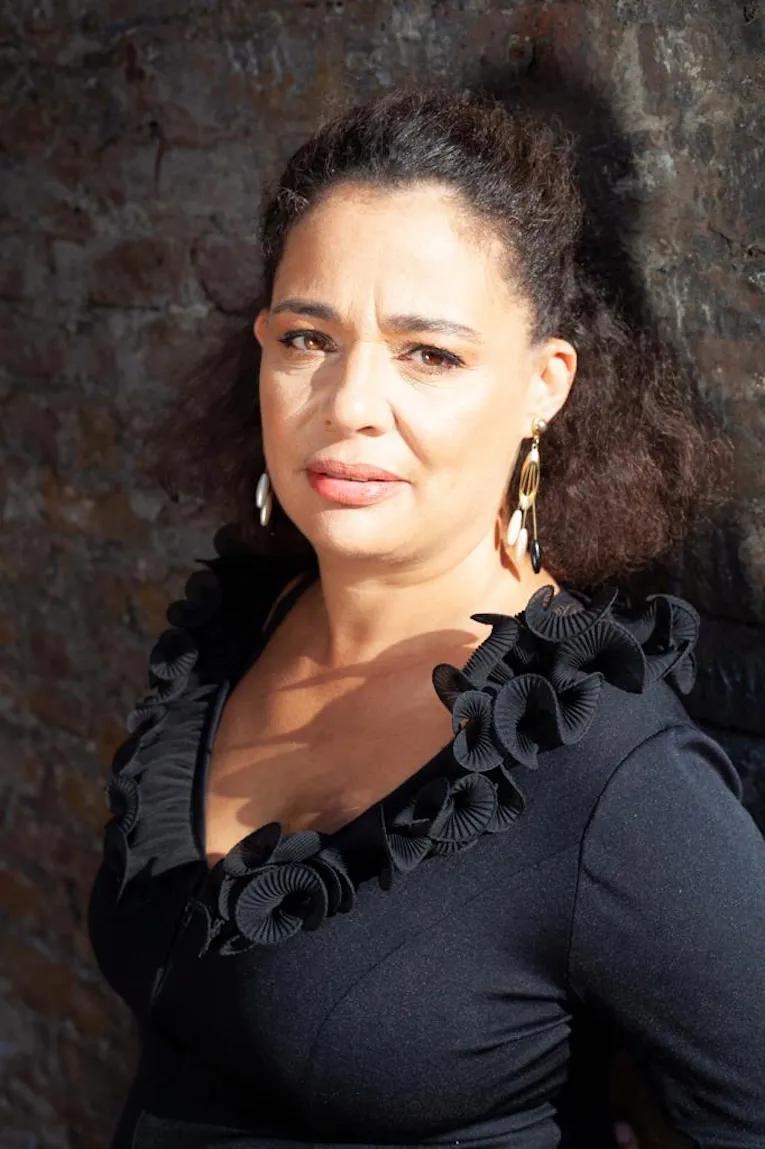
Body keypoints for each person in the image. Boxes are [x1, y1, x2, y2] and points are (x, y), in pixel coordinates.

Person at [87, 83, 765, 1148]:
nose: (351, 402)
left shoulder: (611, 781)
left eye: (429, 354)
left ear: (545, 385)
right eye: (309, 338)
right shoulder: (232, 637)